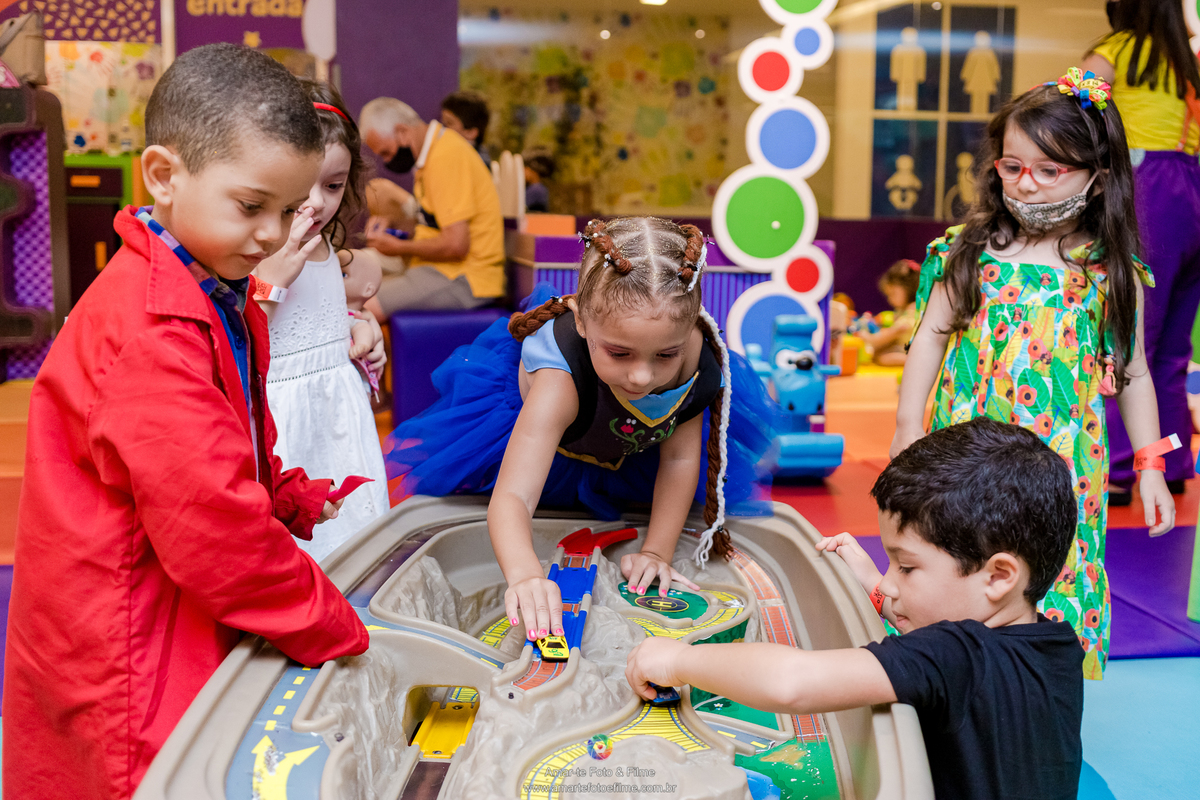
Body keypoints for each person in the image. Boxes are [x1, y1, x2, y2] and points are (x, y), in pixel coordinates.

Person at [2, 44, 370, 799]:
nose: (273, 234)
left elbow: (221, 438)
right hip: (128, 650)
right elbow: (217, 537)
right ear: (164, 176)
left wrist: (282, 489)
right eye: (251, 206)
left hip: (156, 612)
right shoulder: (153, 329)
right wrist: (339, 628)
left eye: (290, 209)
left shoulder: (201, 279)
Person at [628, 417, 1085, 800]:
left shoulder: (957, 657)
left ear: (999, 576)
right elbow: (949, 630)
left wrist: (676, 658)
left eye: (906, 567)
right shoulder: (1057, 647)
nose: (889, 581)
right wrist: (880, 588)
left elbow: (791, 684)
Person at [892, 73, 1177, 680]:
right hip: (965, 453)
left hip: (1063, 466)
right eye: (1013, 166)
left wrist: (1152, 467)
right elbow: (928, 340)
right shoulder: (967, 251)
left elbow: (1133, 373)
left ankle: (1037, 699)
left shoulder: (1110, 272)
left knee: (1050, 575)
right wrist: (905, 427)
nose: (1026, 183)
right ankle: (949, 684)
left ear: (1097, 177)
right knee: (958, 564)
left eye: (1050, 170)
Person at [384, 218, 781, 641]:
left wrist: (655, 552)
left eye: (665, 354)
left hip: (631, 452)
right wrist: (524, 577)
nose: (642, 377)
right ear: (581, 322)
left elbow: (682, 458)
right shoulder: (560, 378)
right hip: (545, 450)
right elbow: (514, 495)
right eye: (619, 352)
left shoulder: (695, 362)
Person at [252, 81, 390, 562]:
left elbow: (329, 309)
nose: (317, 202)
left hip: (337, 408)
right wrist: (274, 278)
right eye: (302, 184)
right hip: (284, 414)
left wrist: (359, 325)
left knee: (352, 537)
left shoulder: (328, 243)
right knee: (293, 547)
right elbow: (246, 329)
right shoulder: (260, 243)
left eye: (333, 186)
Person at [1081, 0, 1200, 503]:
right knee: (1172, 343)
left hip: (1148, 185)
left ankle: (1121, 468)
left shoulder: (1119, 51)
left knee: (1128, 335)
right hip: (1193, 185)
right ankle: (1170, 462)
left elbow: (1066, 104)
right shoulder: (1187, 59)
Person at [358, 97, 505, 315]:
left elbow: (456, 245)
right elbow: (435, 225)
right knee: (353, 271)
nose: (388, 161)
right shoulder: (432, 156)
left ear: (402, 132)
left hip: (465, 278)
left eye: (386, 153)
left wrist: (398, 248)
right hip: (438, 268)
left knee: (360, 307)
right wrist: (393, 225)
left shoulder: (447, 156)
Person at [856, 259, 920, 366]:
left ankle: (916, 362)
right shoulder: (902, 310)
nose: (890, 300)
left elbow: (898, 330)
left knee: (882, 358)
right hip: (905, 347)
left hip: (914, 350)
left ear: (909, 289)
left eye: (893, 294)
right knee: (878, 354)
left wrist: (871, 338)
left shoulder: (913, 308)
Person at [441, 89, 491, 163]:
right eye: (443, 123)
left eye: (449, 123)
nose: (442, 128)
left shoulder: (477, 163)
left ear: (471, 132)